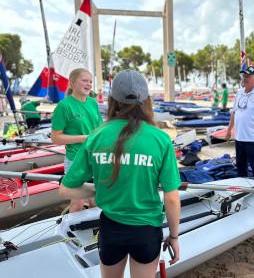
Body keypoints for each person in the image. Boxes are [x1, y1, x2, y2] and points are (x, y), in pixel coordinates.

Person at [59, 70, 181, 278]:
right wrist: (175, 236)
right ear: (146, 100)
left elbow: (66, 189)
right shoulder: (160, 139)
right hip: (146, 230)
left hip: (111, 228)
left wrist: (98, 191)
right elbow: (171, 197)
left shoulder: (96, 136)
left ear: (113, 100)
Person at [51, 68, 102, 212]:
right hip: (75, 160)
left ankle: (96, 234)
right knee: (78, 204)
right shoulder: (64, 106)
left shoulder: (93, 103)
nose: (89, 84)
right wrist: (83, 138)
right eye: (84, 80)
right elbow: (55, 138)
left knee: (96, 203)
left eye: (91, 81)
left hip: (94, 159)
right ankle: (72, 234)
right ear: (72, 83)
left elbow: (99, 128)